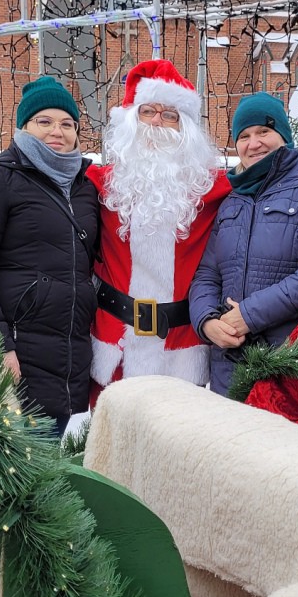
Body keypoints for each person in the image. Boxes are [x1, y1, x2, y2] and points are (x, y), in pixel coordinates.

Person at [0, 75, 100, 437]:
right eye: (44, 121)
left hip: (72, 356)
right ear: (24, 127)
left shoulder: (84, 187)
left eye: (67, 124)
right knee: (22, 470)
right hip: (20, 354)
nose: (57, 132)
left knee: (58, 468)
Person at [189, 92, 298, 396]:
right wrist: (207, 322)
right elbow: (207, 274)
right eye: (245, 135)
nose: (254, 143)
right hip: (229, 366)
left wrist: (249, 315)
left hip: (290, 361)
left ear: (284, 135)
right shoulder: (232, 199)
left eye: (264, 131)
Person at [86, 60, 230, 391]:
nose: (157, 123)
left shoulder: (216, 188)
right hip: (114, 345)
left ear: (186, 129)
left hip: (182, 348)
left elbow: (272, 181)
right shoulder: (97, 183)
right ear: (130, 121)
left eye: (170, 115)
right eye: (148, 111)